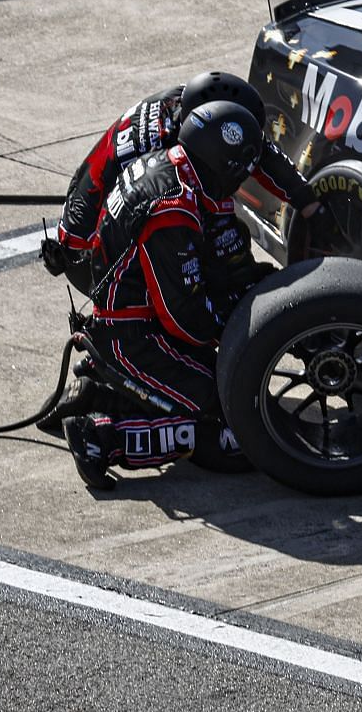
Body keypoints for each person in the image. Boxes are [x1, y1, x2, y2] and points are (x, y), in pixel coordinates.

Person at [61, 101, 264, 491]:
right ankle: (102, 437)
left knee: (228, 387)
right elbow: (183, 316)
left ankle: (99, 391)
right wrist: (238, 325)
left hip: (134, 318)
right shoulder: (173, 211)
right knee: (231, 423)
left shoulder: (177, 165)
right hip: (136, 337)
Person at [44, 71, 318, 299]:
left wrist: (308, 201)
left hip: (80, 223)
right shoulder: (165, 155)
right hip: (90, 255)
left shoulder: (187, 103)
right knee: (214, 269)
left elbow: (259, 152)